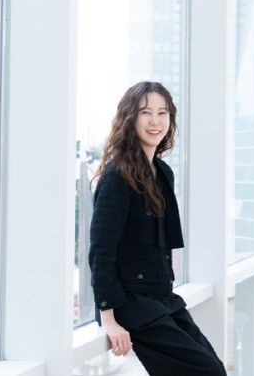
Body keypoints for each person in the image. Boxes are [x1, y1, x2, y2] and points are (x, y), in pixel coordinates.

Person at [88, 81, 226, 376]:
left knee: (215, 368)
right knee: (208, 372)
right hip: (131, 303)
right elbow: (101, 250)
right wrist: (108, 318)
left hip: (162, 298)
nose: (155, 121)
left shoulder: (162, 173)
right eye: (145, 112)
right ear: (130, 118)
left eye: (162, 113)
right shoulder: (117, 176)